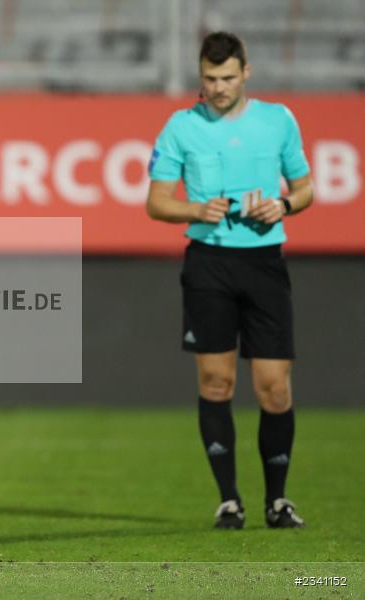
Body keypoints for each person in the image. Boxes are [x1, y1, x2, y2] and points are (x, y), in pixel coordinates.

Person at [146, 32, 313, 529]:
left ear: (246, 73)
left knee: (274, 386)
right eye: (210, 78)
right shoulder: (182, 126)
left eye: (227, 77)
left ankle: (278, 501)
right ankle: (229, 501)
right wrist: (197, 209)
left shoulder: (278, 120)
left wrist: (283, 204)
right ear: (201, 76)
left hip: (264, 263)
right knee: (216, 382)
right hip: (209, 263)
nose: (218, 87)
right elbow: (157, 202)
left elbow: (304, 188)